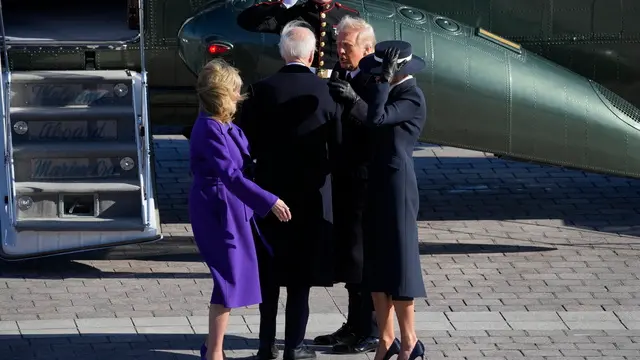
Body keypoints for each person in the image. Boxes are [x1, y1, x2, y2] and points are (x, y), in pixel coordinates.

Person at [238, 20, 341, 360]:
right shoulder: (328, 92)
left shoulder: (261, 90)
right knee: (300, 279)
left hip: (269, 194)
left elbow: (243, 141)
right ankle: (295, 346)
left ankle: (265, 345)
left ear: (283, 53)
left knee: (268, 274)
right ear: (312, 55)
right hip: (311, 197)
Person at [188, 59, 292, 360]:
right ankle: (215, 353)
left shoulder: (222, 124)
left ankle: (212, 347)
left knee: (231, 278)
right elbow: (231, 176)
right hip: (217, 208)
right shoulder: (209, 128)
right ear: (221, 93)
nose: (238, 95)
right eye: (233, 90)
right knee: (228, 278)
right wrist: (268, 200)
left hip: (229, 206)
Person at [357, 40, 428, 360]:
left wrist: (383, 82)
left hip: (398, 186)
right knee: (375, 265)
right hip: (376, 184)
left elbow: (377, 118)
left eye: (383, 71)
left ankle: (409, 341)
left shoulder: (411, 96)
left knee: (399, 265)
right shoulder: (385, 89)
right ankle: (386, 340)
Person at [313, 15, 379, 354]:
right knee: (348, 256)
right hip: (341, 177)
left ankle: (370, 329)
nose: (340, 50)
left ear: (367, 48)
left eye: (347, 46)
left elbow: (378, 123)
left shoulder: (376, 78)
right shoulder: (341, 74)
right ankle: (353, 324)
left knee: (362, 256)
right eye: (338, 44)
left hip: (364, 181)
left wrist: (354, 99)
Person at [236, 0, 359, 78]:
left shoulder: (348, 15)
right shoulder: (293, 13)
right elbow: (246, 21)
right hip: (299, 80)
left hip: (334, 83)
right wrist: (284, 4)